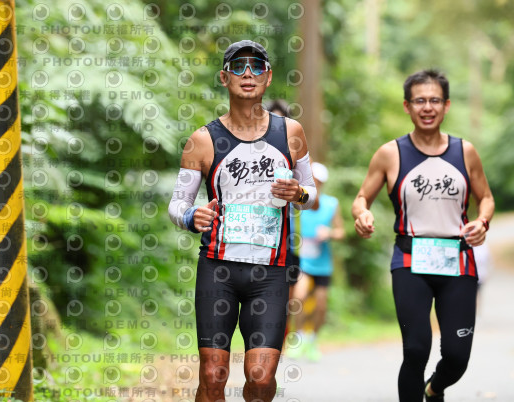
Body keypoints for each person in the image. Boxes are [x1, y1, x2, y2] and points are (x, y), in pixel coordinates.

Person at [168, 40, 317, 402]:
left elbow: (312, 196)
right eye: (238, 66)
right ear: (224, 77)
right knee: (212, 375)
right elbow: (177, 204)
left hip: (270, 273)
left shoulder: (291, 133)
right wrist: (190, 216)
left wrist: (297, 193)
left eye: (256, 66)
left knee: (261, 378)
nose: (248, 73)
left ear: (268, 77)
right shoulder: (202, 140)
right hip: (217, 270)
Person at [351, 69, 494, 402]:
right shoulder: (390, 153)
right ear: (407, 106)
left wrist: (483, 221)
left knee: (457, 355)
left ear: (446, 106)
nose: (427, 107)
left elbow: (486, 197)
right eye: (419, 101)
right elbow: (361, 198)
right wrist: (362, 214)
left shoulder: (465, 152)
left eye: (434, 100)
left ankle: (435, 388)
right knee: (415, 349)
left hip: (458, 260)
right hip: (410, 260)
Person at [286, 162, 345, 361]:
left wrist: (329, 233)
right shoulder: (298, 203)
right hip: (304, 262)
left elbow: (341, 231)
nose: (315, 185)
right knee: (299, 297)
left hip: (323, 263)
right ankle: (299, 337)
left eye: (318, 182)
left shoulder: (331, 204)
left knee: (321, 306)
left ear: (323, 184)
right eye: (312, 181)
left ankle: (312, 340)